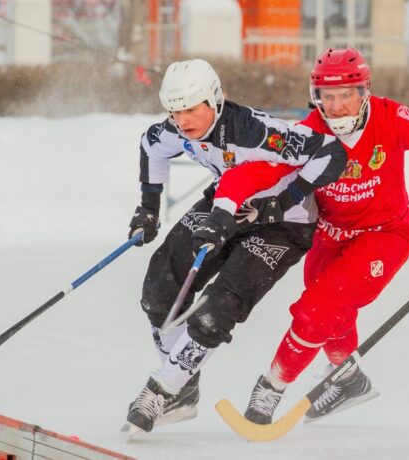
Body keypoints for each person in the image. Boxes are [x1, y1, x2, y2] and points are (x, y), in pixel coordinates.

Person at [225, 47, 409, 425]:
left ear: (364, 91)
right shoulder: (308, 132)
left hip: (385, 235)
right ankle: (350, 380)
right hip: (331, 235)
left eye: (346, 95)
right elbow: (262, 169)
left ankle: (271, 386)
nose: (337, 106)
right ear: (316, 95)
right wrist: (226, 201)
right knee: (330, 317)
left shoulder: (389, 116)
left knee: (317, 311)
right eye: (328, 96)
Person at [124, 58, 347, 434]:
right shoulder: (176, 130)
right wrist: (148, 207)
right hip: (224, 205)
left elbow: (330, 152)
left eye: (192, 110)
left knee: (217, 307)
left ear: (215, 99)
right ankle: (183, 383)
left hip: (282, 224)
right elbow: (151, 146)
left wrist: (286, 198)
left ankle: (164, 388)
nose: (184, 121)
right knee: (158, 290)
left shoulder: (257, 132)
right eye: (175, 112)